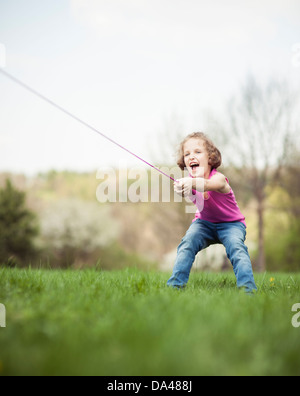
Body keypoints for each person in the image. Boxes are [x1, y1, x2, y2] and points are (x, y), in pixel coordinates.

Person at [167, 132, 257, 293]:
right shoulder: (190, 181)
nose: (191, 156)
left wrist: (190, 183)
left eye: (197, 152)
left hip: (232, 225)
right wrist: (181, 189)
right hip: (204, 224)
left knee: (237, 248)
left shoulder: (219, 179)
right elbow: (190, 189)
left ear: (210, 157)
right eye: (187, 154)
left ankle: (248, 290)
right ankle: (175, 287)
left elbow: (207, 184)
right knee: (187, 243)